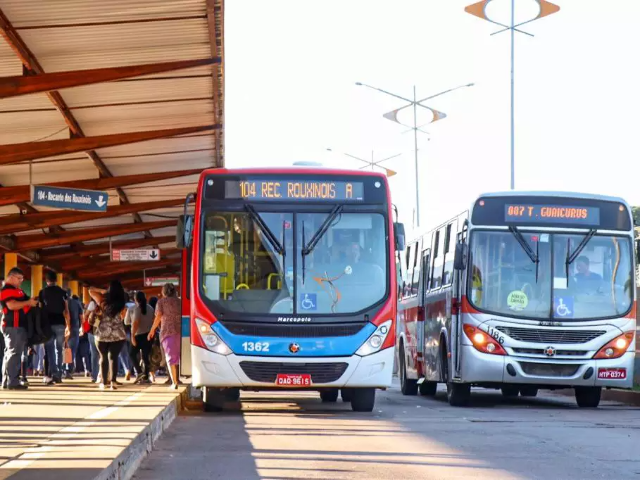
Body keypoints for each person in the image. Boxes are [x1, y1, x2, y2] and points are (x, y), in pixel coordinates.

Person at [0, 268, 38, 390]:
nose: (21, 281)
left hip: (16, 326)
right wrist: (28, 302)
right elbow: (11, 305)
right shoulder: (6, 290)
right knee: (13, 353)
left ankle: (8, 381)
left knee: (11, 353)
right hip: (13, 326)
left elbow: (26, 302)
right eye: (19, 278)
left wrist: (31, 301)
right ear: (11, 277)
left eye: (22, 279)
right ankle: (12, 382)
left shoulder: (18, 291)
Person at [89, 281, 127, 391]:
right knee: (113, 357)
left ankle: (104, 383)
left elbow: (90, 290)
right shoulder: (122, 303)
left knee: (103, 357)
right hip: (118, 335)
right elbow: (122, 318)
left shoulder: (102, 301)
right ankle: (113, 382)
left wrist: (103, 291)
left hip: (101, 334)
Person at [148, 283, 181, 389]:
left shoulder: (161, 302)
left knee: (170, 357)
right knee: (178, 356)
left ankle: (174, 382)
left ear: (164, 291)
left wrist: (152, 330)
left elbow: (158, 316)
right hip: (181, 331)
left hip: (167, 331)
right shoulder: (180, 301)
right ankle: (176, 379)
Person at [40, 271, 70, 384]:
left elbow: (40, 309)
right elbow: (66, 310)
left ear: (46, 281)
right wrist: (68, 326)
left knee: (50, 350)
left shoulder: (42, 293)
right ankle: (58, 375)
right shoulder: (63, 292)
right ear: (56, 280)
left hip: (47, 324)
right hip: (60, 323)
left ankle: (53, 373)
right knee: (59, 349)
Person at [126, 291, 155, 384]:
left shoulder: (133, 309)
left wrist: (132, 336)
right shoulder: (150, 308)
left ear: (135, 299)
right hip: (148, 336)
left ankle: (139, 372)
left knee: (131, 353)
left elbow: (131, 323)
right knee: (145, 356)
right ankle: (146, 377)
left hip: (137, 335)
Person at [64, 292, 83, 379]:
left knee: (64, 349)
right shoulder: (77, 303)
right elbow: (81, 316)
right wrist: (82, 327)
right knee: (71, 350)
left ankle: (62, 369)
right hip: (74, 328)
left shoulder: (62, 301)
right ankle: (68, 370)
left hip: (63, 327)